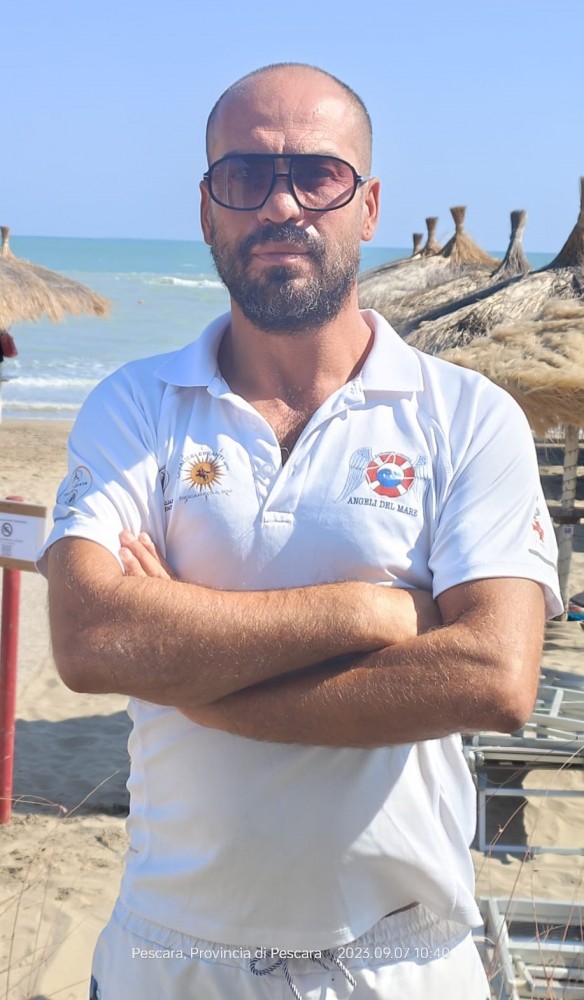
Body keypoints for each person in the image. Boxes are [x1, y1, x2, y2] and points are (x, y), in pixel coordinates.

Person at [40, 63, 562, 1000]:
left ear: (367, 206)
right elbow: (91, 637)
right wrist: (373, 611)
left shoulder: (467, 416)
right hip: (169, 958)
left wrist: (198, 682)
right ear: (208, 211)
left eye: (317, 174)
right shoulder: (136, 405)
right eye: (244, 175)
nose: (281, 204)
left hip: (401, 961)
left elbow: (493, 677)